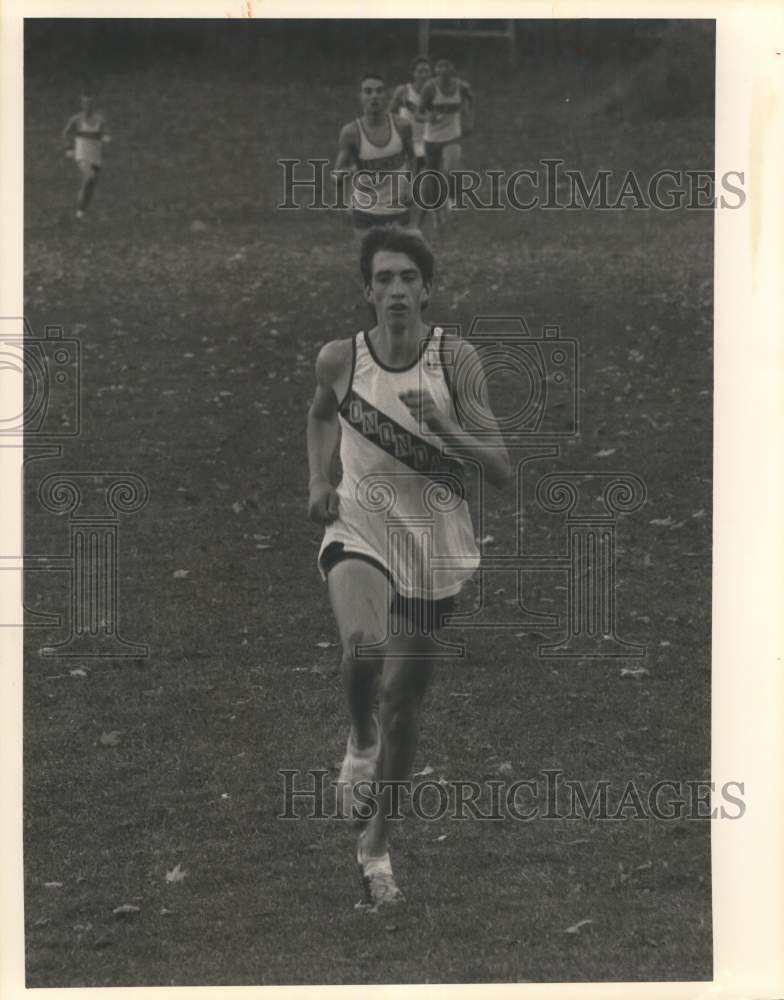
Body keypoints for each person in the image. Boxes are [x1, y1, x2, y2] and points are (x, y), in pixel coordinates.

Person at [306, 226, 511, 911]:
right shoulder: (340, 359)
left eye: (408, 279)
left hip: (432, 542)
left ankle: (378, 844)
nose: (396, 290)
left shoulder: (458, 361)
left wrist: (446, 429)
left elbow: (501, 470)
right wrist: (318, 480)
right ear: (367, 291)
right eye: (384, 279)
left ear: (427, 289)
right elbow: (320, 417)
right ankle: (357, 740)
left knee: (405, 704)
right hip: (360, 523)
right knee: (362, 648)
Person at [333, 73, 417, 234]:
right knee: (368, 258)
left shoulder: (402, 126)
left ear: (386, 95)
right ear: (360, 96)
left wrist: (410, 186)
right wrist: (344, 200)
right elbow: (337, 175)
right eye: (368, 91)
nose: (374, 96)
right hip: (364, 211)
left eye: (379, 91)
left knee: (397, 258)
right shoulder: (350, 133)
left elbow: (412, 157)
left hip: (396, 209)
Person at [419, 57, 474, 229]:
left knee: (452, 168)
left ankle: (452, 200)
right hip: (432, 138)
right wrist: (428, 117)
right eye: (440, 65)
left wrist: (468, 118)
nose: (443, 69)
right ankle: (437, 217)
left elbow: (471, 101)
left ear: (452, 68)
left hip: (452, 136)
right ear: (435, 70)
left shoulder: (462, 87)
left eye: (447, 65)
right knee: (433, 177)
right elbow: (418, 114)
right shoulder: (429, 88)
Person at [389, 57, 432, 227]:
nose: (423, 74)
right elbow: (389, 113)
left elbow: (430, 119)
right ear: (413, 73)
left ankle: (418, 228)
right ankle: (398, 224)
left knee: (428, 189)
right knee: (405, 190)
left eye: (427, 70)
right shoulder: (403, 91)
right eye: (420, 70)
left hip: (428, 144)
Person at [61, 89, 111, 220]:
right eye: (85, 103)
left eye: (90, 103)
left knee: (90, 185)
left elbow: (106, 133)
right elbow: (65, 133)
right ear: (82, 104)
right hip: (82, 155)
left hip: (95, 156)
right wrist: (68, 148)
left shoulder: (100, 120)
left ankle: (81, 212)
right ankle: (79, 211)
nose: (88, 106)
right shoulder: (76, 119)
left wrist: (106, 137)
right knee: (89, 177)